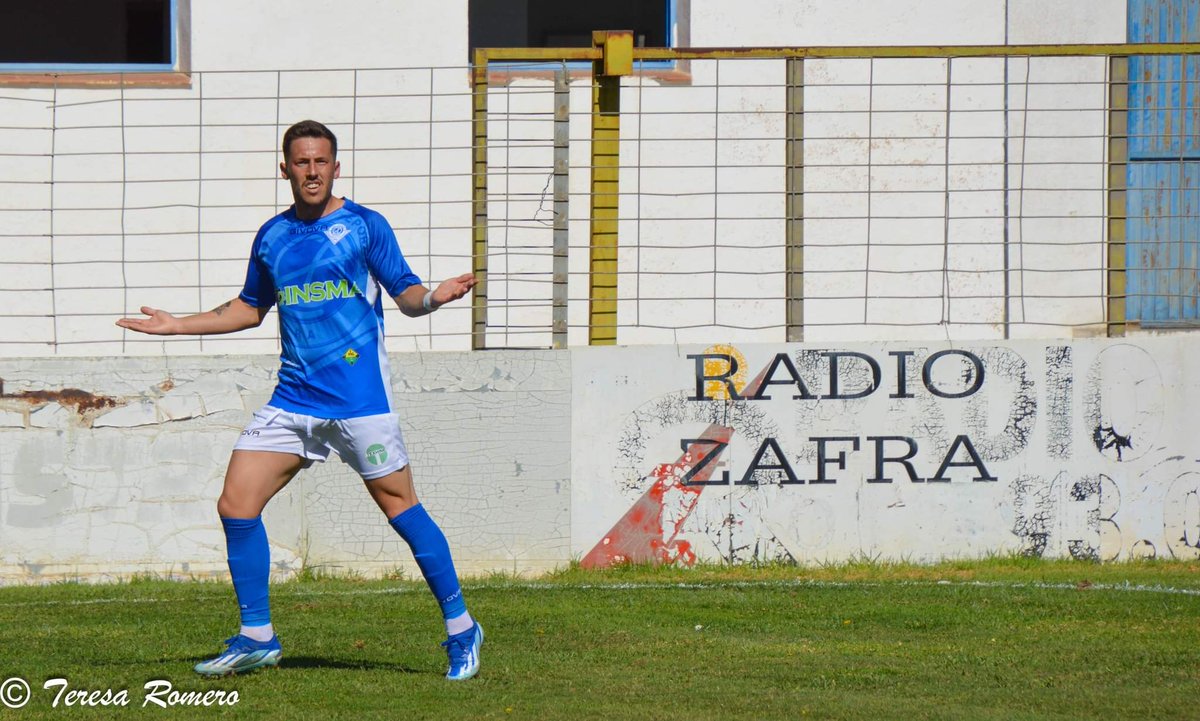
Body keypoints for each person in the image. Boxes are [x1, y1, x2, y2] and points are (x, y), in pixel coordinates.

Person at [116, 119, 483, 681]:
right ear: (284, 168)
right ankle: (257, 636)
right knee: (236, 503)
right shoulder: (272, 237)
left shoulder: (364, 227)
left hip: (360, 402)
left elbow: (406, 296)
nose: (311, 172)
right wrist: (176, 326)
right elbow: (247, 309)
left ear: (337, 167)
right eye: (301, 162)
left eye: (321, 162)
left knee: (401, 510)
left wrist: (435, 296)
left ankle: (461, 628)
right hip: (294, 400)